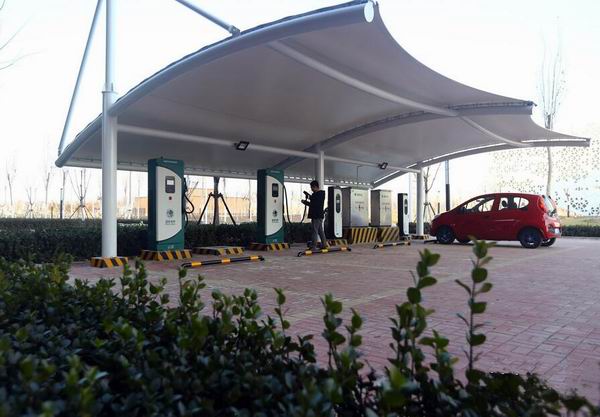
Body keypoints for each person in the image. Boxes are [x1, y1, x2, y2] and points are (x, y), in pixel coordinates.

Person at [302, 180, 329, 251]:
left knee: (315, 230)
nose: (311, 189)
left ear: (315, 187)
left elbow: (314, 204)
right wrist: (307, 199)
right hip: (318, 215)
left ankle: (313, 246)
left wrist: (306, 201)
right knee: (320, 231)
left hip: (316, 215)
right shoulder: (319, 194)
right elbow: (314, 201)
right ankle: (324, 244)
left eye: (312, 187)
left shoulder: (319, 194)